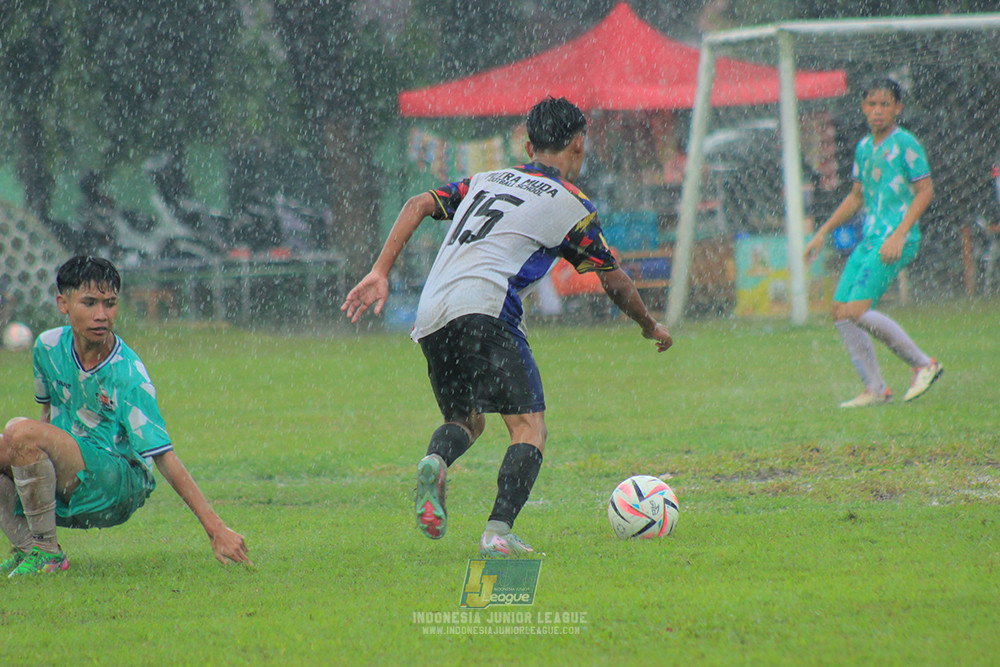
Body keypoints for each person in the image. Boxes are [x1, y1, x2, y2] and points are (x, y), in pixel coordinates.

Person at [342, 97, 673, 558]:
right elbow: (613, 280)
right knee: (528, 427)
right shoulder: (572, 204)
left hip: (432, 312)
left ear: (529, 144)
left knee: (466, 420)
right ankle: (498, 533)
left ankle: (435, 460)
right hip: (487, 308)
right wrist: (648, 324)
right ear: (579, 144)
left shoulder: (487, 178)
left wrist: (380, 271)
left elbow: (419, 202)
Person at [0, 256, 251, 576]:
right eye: (89, 303)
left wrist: (216, 528)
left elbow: (163, 455)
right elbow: (46, 415)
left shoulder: (128, 373)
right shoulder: (47, 347)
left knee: (19, 430)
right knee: (14, 437)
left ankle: (48, 554)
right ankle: (28, 549)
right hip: (72, 471)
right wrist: (29, 458)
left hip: (120, 484)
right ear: (63, 303)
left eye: (110, 303)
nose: (101, 315)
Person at [804, 78, 942, 408]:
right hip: (871, 239)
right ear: (864, 108)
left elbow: (926, 190)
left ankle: (924, 364)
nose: (878, 110)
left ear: (898, 108)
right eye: (872, 104)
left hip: (894, 239)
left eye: (885, 104)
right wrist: (823, 231)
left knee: (858, 310)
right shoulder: (864, 147)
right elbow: (856, 197)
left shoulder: (906, 143)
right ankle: (875, 388)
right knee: (840, 311)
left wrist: (900, 233)